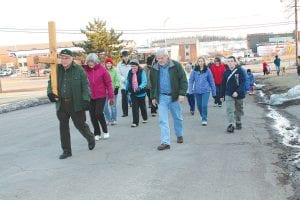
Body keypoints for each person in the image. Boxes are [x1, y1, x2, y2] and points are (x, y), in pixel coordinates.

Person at [47, 49, 95, 159]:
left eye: (66, 58)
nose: (64, 60)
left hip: (75, 103)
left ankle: (90, 138)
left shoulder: (79, 70)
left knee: (80, 125)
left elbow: (85, 86)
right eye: (62, 57)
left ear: (71, 59)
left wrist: (86, 100)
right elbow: (50, 83)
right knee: (63, 128)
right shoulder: (56, 70)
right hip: (61, 103)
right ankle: (66, 151)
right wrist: (50, 93)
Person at [150, 48, 188, 150]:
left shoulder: (176, 66)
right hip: (162, 97)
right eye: (158, 58)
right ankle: (165, 142)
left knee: (178, 118)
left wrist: (182, 94)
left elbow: (183, 80)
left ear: (167, 56)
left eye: (161, 58)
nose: (160, 60)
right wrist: (153, 97)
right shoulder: (154, 68)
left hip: (174, 97)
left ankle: (179, 134)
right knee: (163, 120)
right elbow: (152, 85)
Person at [83, 53, 114, 140]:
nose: (90, 63)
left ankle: (105, 131)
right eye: (89, 62)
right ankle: (97, 133)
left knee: (98, 113)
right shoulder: (85, 70)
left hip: (101, 95)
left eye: (92, 61)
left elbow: (108, 83)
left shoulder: (102, 70)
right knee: (92, 115)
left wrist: (111, 97)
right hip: (90, 96)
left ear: (96, 62)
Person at [221, 56, 246, 133]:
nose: (230, 63)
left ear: (235, 62)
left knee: (238, 109)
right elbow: (223, 84)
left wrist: (237, 92)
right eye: (228, 61)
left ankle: (238, 121)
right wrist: (222, 95)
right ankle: (231, 124)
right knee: (230, 109)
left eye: (232, 61)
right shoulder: (226, 72)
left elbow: (242, 83)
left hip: (239, 94)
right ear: (227, 63)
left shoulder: (240, 71)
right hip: (228, 93)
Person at [189, 57, 216, 126]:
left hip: (206, 91)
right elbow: (191, 81)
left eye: (201, 61)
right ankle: (202, 115)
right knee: (199, 105)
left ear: (204, 62)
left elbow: (211, 81)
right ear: (197, 62)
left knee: (204, 105)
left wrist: (214, 92)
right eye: (199, 61)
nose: (200, 63)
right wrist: (190, 90)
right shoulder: (194, 71)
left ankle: (204, 119)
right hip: (197, 91)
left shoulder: (207, 70)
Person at [126, 59, 148, 127]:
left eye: (134, 66)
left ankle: (145, 117)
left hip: (141, 92)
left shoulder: (142, 72)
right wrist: (127, 90)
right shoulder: (130, 72)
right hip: (133, 92)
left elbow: (144, 82)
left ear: (137, 65)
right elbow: (128, 81)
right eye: (132, 66)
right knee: (134, 108)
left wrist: (140, 87)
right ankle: (135, 122)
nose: (133, 68)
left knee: (142, 106)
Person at [104, 57, 120, 125]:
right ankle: (108, 119)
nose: (109, 64)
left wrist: (116, 87)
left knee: (113, 106)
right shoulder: (103, 71)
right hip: (104, 92)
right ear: (105, 64)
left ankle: (114, 119)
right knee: (104, 106)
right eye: (107, 63)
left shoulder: (115, 71)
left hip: (113, 91)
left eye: (110, 63)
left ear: (112, 64)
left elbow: (117, 79)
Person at [117, 50, 131, 117]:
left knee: (133, 98)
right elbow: (118, 74)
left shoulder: (132, 63)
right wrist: (124, 80)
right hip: (123, 84)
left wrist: (130, 80)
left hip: (131, 83)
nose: (125, 57)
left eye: (126, 56)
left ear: (128, 56)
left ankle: (136, 110)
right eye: (124, 56)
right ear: (122, 57)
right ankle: (125, 112)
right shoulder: (119, 64)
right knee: (124, 98)